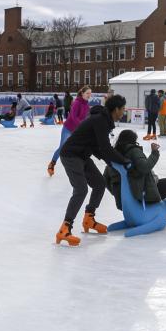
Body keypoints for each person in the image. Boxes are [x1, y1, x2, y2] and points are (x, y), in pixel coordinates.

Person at [55, 93, 130, 245]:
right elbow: (105, 148)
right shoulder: (100, 120)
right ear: (116, 109)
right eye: (123, 109)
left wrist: (111, 162)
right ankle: (65, 229)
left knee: (99, 184)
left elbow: (97, 147)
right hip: (71, 155)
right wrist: (123, 161)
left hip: (82, 155)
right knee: (81, 189)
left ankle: (89, 218)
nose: (124, 112)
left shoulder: (103, 120)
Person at [104, 129, 166, 225]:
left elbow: (105, 179)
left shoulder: (114, 155)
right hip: (144, 195)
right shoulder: (133, 151)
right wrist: (155, 153)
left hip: (126, 202)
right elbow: (145, 167)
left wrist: (121, 194)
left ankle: (160, 211)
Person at [48, 86, 92, 176]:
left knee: (78, 149)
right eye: (87, 93)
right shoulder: (77, 103)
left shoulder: (87, 105)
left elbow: (87, 118)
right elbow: (73, 116)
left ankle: (78, 167)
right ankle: (52, 164)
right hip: (68, 129)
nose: (89, 95)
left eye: (90, 93)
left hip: (77, 131)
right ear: (82, 93)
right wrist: (81, 126)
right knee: (62, 147)